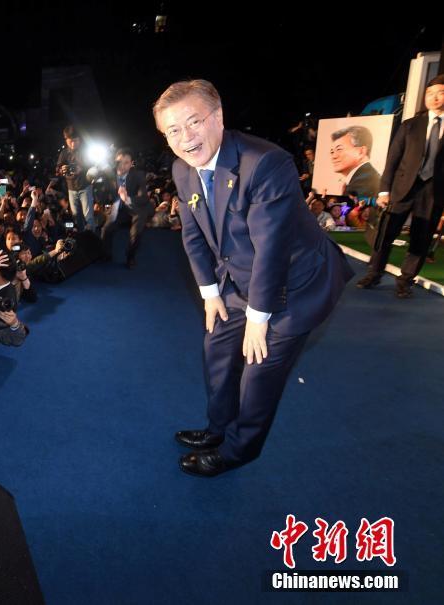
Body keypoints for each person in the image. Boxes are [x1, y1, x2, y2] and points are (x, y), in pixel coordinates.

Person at [154, 79, 352, 477]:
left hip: (296, 283)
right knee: (217, 350)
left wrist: (259, 318)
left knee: (258, 371)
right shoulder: (182, 169)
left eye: (193, 122)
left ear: (218, 117)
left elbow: (272, 248)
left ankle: (239, 449)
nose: (185, 138)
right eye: (172, 130)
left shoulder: (265, 163)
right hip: (239, 278)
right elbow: (193, 234)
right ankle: (218, 429)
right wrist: (210, 293)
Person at [356, 75, 444, 298]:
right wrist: (384, 190)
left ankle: (405, 281)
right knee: (386, 232)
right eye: (430, 93)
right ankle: (374, 273)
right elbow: (392, 159)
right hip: (401, 187)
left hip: (433, 191)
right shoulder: (410, 125)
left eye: (440, 93)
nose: (434, 98)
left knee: (421, 239)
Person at [99, 148, 153, 268]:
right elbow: (103, 194)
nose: (122, 166)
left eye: (126, 162)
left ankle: (130, 257)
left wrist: (127, 198)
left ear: (131, 163)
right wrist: (102, 200)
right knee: (106, 229)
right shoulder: (109, 174)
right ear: (115, 161)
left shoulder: (138, 175)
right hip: (118, 207)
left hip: (137, 208)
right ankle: (106, 254)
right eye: (119, 162)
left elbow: (144, 198)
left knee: (136, 232)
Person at [56, 125, 95, 232]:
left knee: (89, 217)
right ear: (66, 140)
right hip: (71, 189)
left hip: (85, 187)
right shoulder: (64, 153)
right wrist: (62, 169)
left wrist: (81, 169)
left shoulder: (86, 151)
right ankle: (79, 237)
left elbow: (94, 166)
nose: (73, 144)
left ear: (80, 140)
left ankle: (92, 238)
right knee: (75, 217)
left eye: (75, 141)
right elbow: (57, 169)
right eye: (70, 141)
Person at [329, 125, 381, 198]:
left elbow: (349, 205)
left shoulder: (362, 183)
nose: (334, 156)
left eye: (339, 149)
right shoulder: (362, 178)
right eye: (332, 152)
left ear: (361, 151)